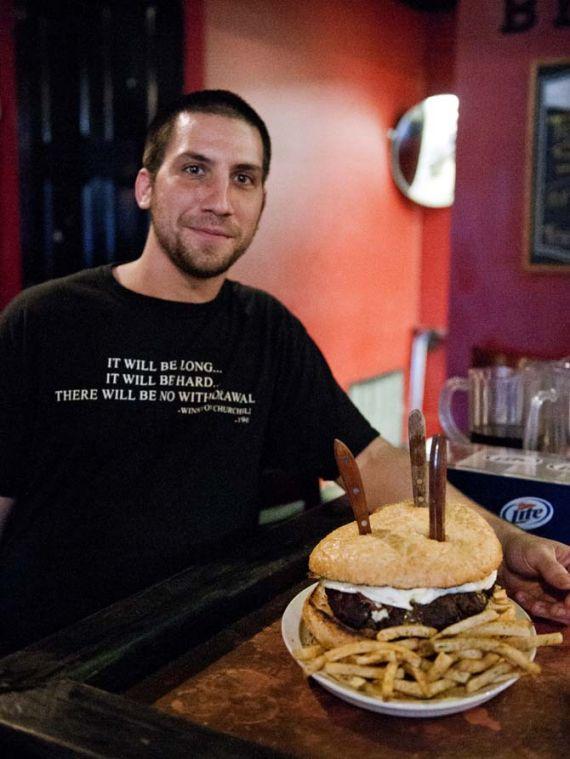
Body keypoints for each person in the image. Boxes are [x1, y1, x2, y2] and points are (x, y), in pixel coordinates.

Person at [0, 91, 568, 652]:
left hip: (199, 644)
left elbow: (372, 461)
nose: (220, 200)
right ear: (146, 186)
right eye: (195, 169)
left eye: (243, 178)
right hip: (44, 655)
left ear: (262, 202)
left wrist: (507, 541)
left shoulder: (265, 331)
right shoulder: (44, 318)